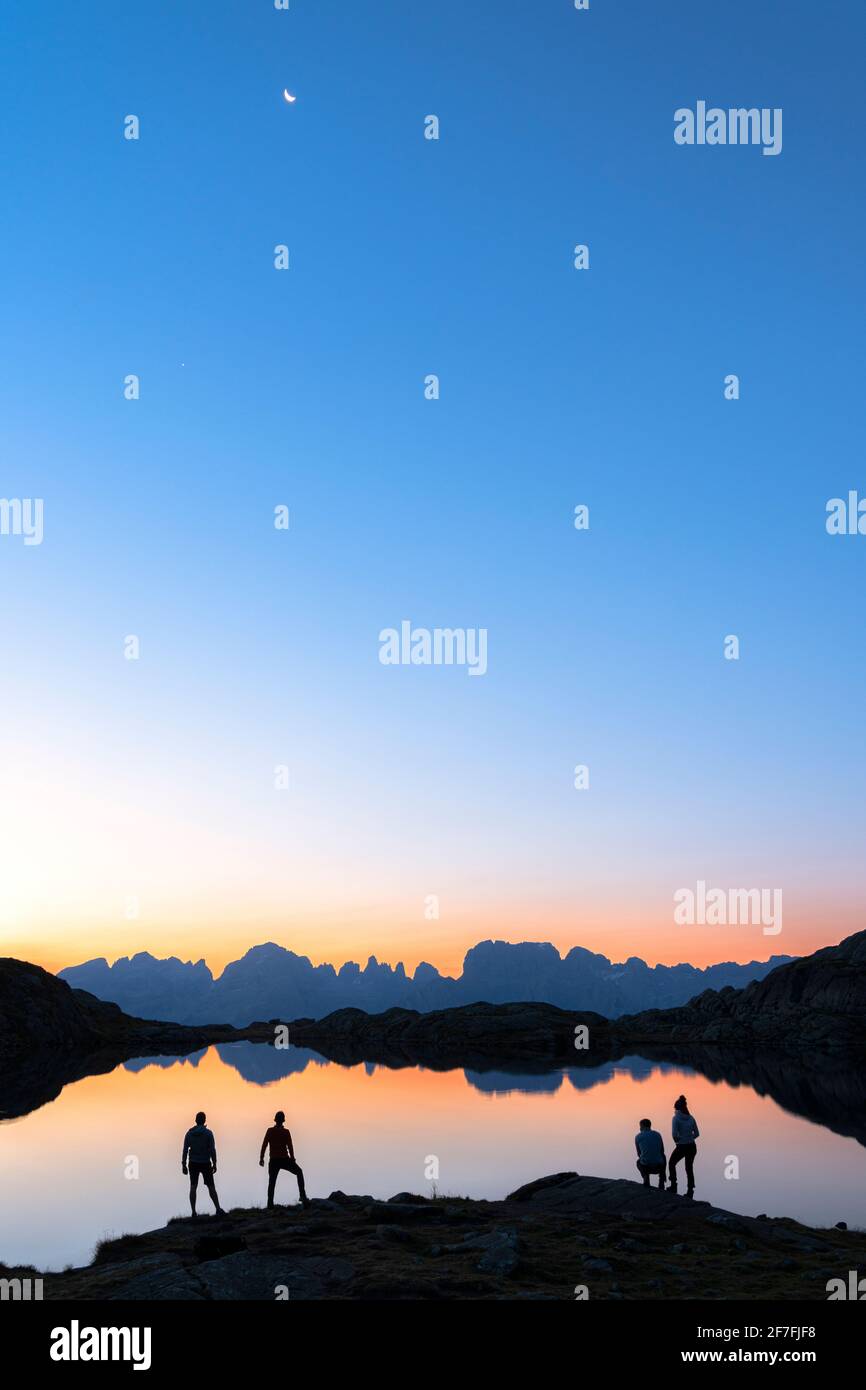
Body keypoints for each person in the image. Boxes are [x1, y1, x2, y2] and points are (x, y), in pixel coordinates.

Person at [259, 1110, 310, 1209]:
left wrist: (261, 1158)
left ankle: (270, 1205)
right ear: (283, 1121)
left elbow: (264, 1145)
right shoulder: (286, 1132)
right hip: (284, 1159)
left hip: (274, 1160)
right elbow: (290, 1147)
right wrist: (293, 1159)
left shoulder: (270, 1131)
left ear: (275, 1120)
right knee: (299, 1172)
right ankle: (302, 1196)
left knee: (272, 1182)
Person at [182, 1110, 224, 1217]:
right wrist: (215, 1163)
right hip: (205, 1162)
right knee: (211, 1187)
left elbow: (185, 1150)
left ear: (196, 1120)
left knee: (193, 1187)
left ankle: (193, 1212)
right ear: (204, 1120)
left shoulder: (189, 1134)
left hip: (193, 1163)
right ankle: (218, 1209)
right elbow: (212, 1150)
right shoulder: (208, 1133)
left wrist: (183, 1164)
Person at [668, 1094, 699, 1193]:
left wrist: (678, 1142)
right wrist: (689, 1138)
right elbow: (697, 1134)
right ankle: (690, 1187)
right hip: (692, 1146)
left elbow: (674, 1134)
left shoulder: (675, 1118)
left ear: (676, 1108)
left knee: (672, 1163)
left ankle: (673, 1184)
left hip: (682, 1146)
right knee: (689, 1167)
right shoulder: (691, 1118)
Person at [634, 1117, 666, 1189]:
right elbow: (662, 1150)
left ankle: (646, 1178)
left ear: (642, 1126)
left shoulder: (638, 1136)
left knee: (638, 1162)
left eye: (640, 1126)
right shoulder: (658, 1134)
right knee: (663, 1156)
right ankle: (662, 1180)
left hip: (646, 1167)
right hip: (659, 1166)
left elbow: (639, 1153)